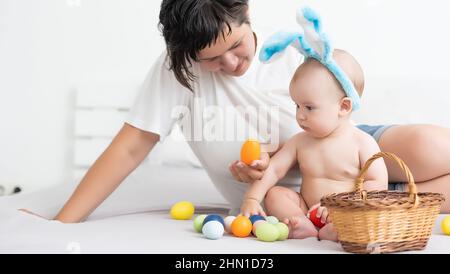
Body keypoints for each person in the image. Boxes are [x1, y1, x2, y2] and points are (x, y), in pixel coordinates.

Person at [52, 0, 450, 223]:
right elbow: (130, 147)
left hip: (348, 155)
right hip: (299, 196)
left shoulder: (293, 52)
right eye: (211, 59)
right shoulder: (179, 71)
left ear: (245, 13)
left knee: (432, 144)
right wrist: (62, 223)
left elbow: (341, 110)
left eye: (237, 45)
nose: (230, 64)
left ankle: (384, 195)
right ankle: (389, 205)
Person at [240, 46, 389, 241]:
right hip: (306, 207)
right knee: (275, 194)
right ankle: (301, 223)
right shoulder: (299, 142)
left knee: (361, 219)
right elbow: (274, 170)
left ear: (343, 107)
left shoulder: (362, 143)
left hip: (343, 212)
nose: (300, 115)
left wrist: (343, 206)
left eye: (309, 107)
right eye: (297, 105)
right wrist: (252, 198)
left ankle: (336, 230)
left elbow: (377, 183)